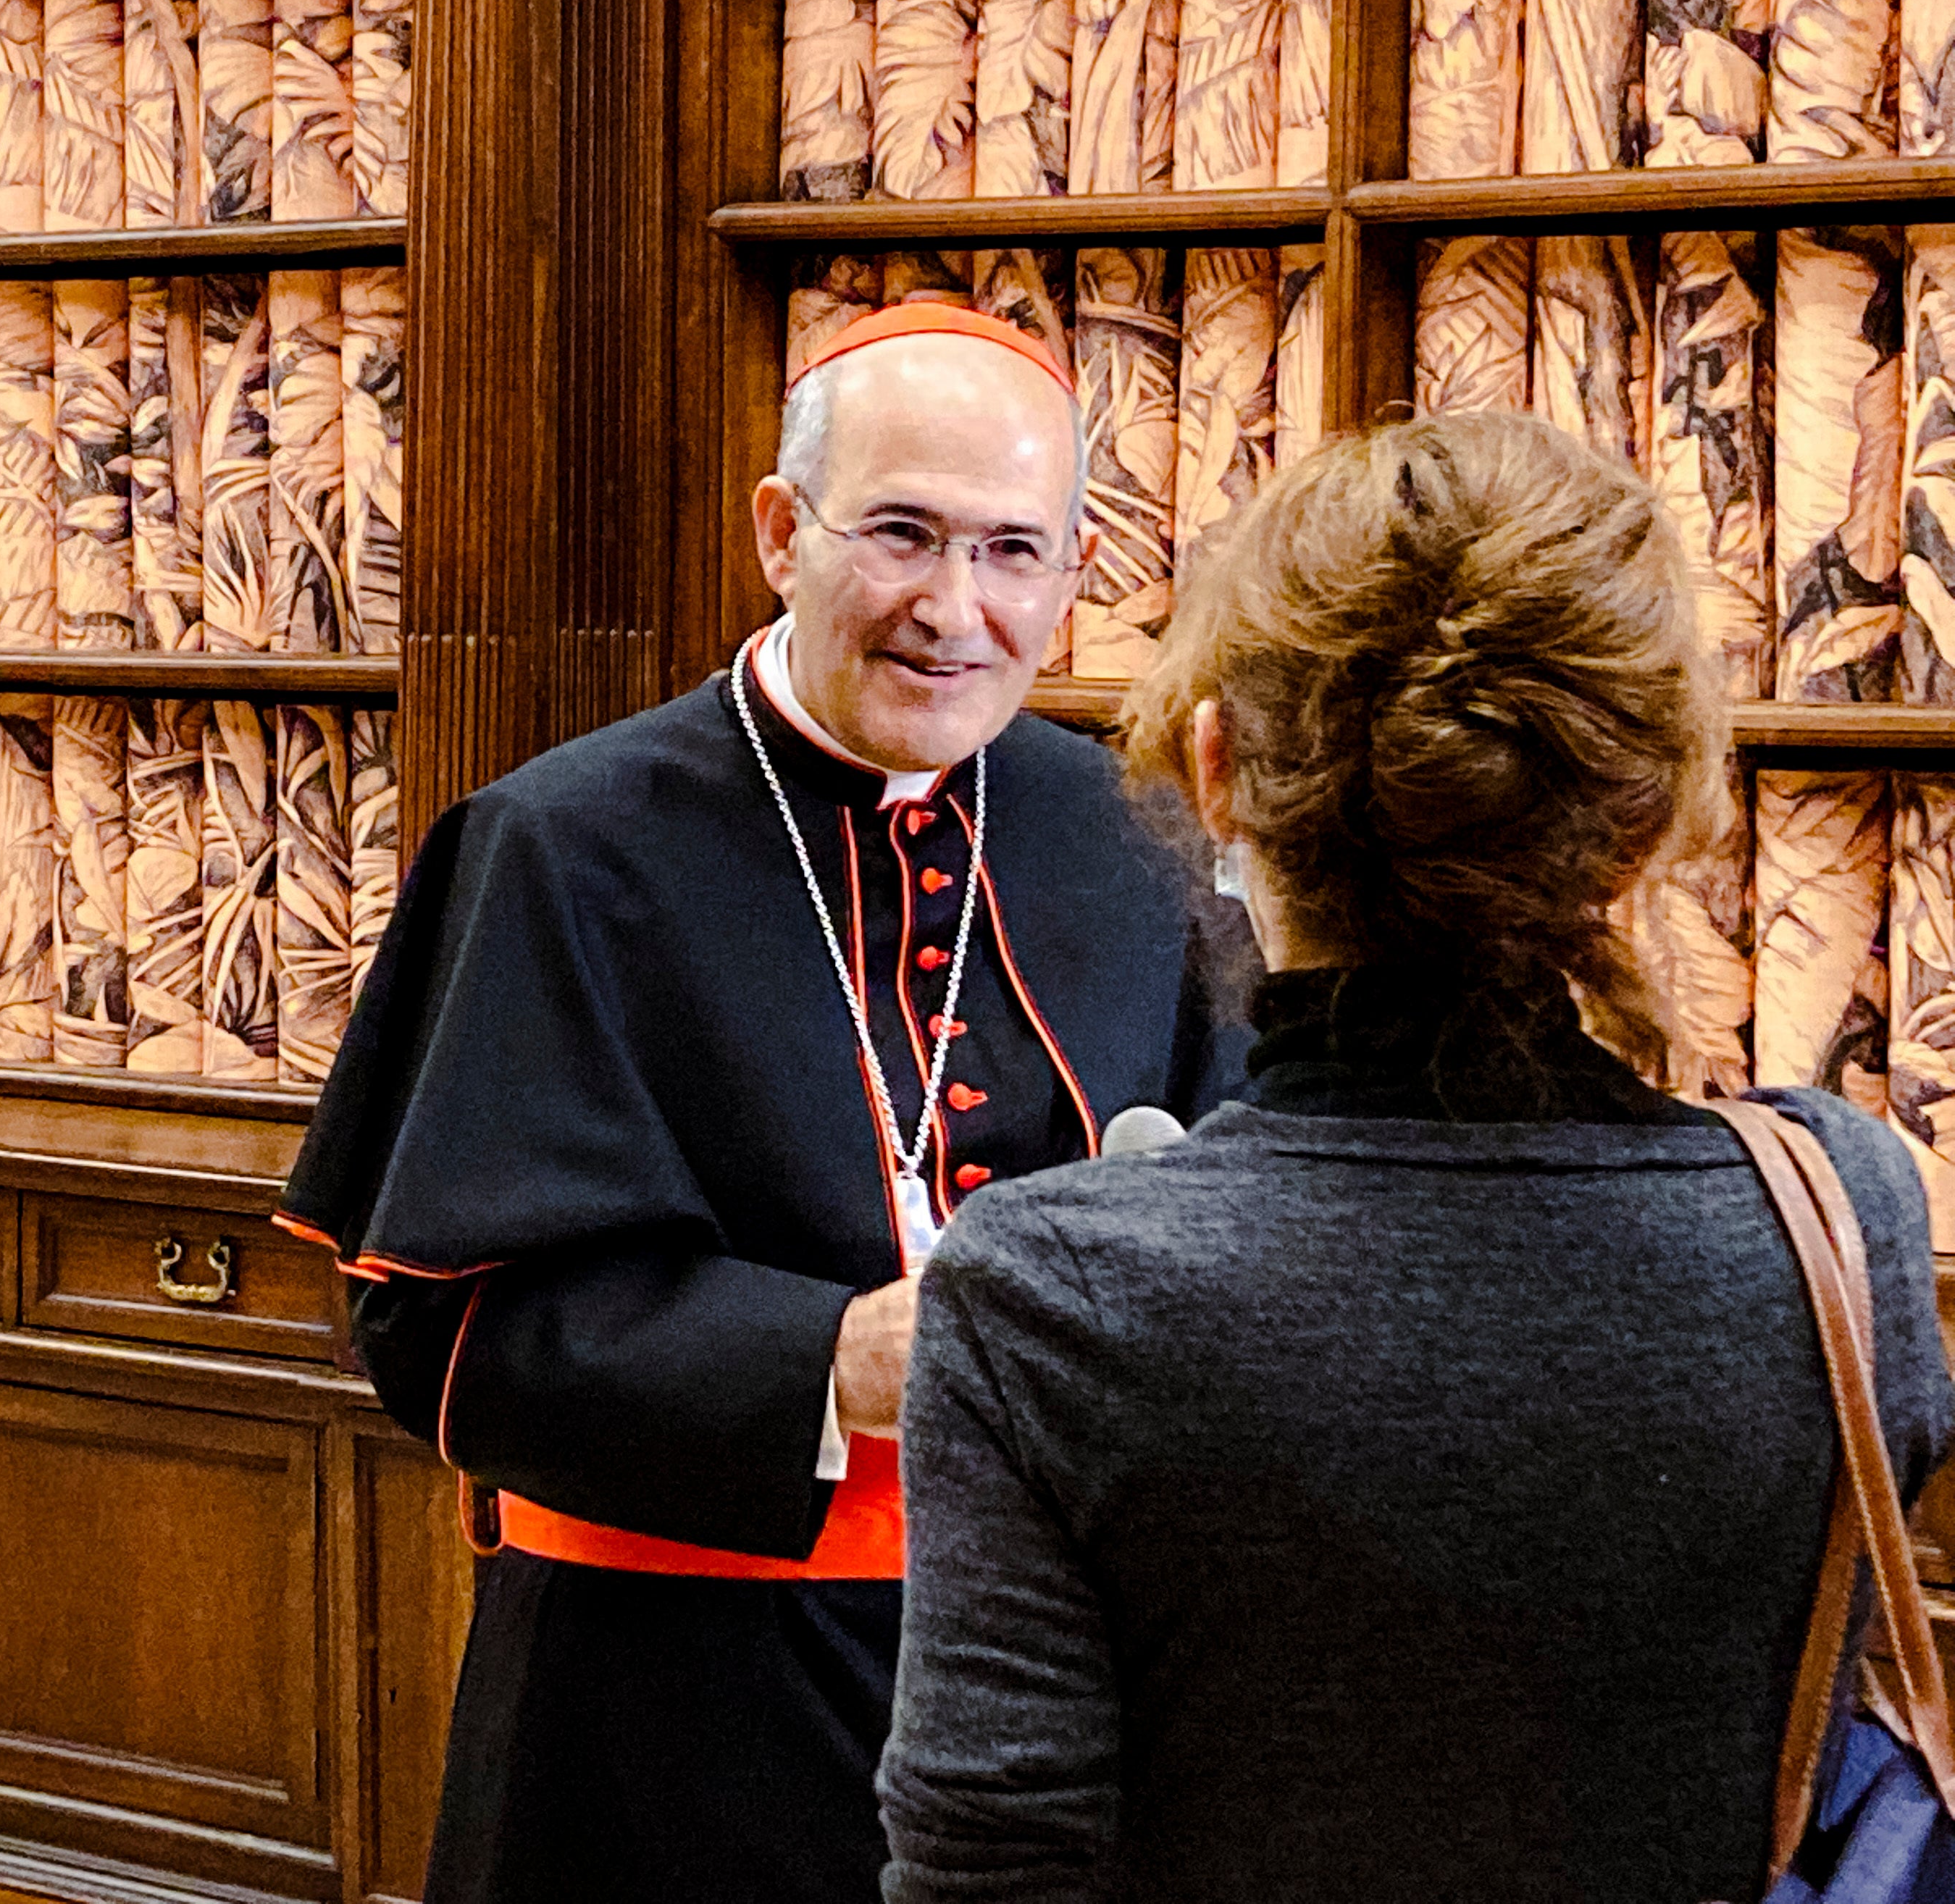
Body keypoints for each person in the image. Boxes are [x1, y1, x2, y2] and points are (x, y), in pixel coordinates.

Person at [877, 410, 1955, 1904]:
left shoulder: (1054, 1293)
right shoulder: (1843, 1213)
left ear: (1216, 769)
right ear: (1647, 820)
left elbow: (994, 1871)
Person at [275, 304, 1252, 1904]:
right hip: (658, 1713)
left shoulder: (1133, 842)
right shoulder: (563, 847)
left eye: (1015, 552)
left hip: (1060, 1693)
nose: (957, 610)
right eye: (903, 535)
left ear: (1076, 578)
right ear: (781, 532)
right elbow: (434, 1330)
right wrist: (828, 1364)